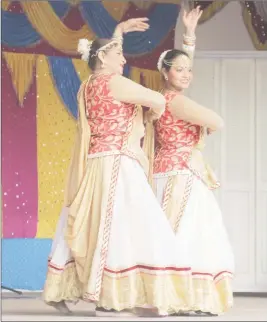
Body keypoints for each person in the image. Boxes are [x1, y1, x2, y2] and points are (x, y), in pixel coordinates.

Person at [42, 18, 195, 318]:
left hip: (95, 163)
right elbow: (154, 98)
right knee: (127, 225)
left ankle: (60, 289)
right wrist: (153, 110)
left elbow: (106, 55)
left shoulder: (87, 86)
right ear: (103, 58)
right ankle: (111, 298)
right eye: (119, 55)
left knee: (87, 223)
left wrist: (118, 34)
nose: (124, 59)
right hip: (118, 165)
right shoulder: (116, 82)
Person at [144, 7, 235, 316]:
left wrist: (190, 34)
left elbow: (180, 68)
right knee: (191, 233)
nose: (186, 73)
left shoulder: (162, 98)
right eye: (179, 69)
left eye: (188, 69)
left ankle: (173, 295)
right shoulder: (178, 102)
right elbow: (218, 121)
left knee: (174, 232)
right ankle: (187, 297)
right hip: (181, 175)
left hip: (167, 171)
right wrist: (205, 123)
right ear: (166, 73)